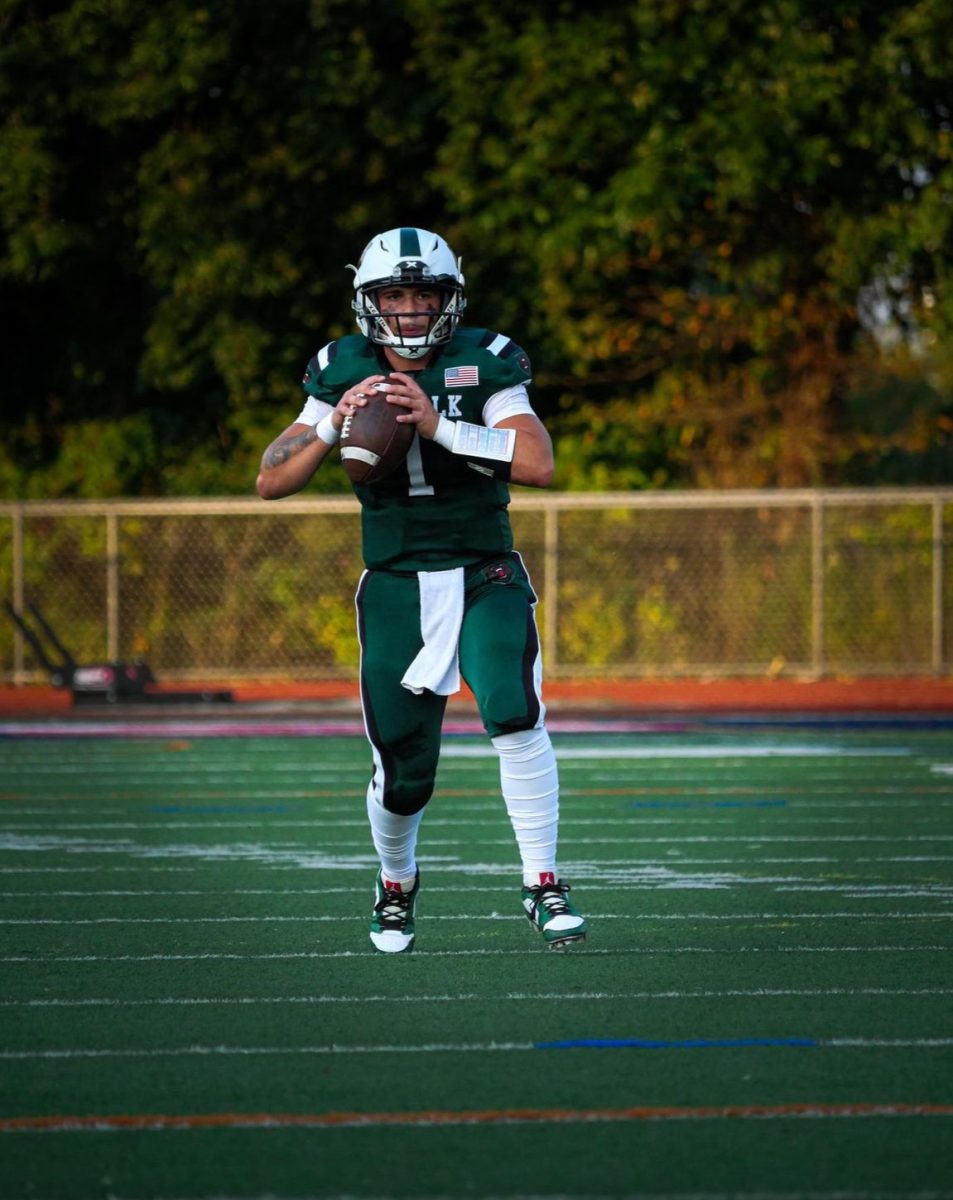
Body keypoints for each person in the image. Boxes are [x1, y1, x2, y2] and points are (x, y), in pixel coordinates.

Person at [256, 226, 587, 953]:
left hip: (482, 569)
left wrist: (439, 426)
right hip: (398, 583)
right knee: (403, 769)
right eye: (395, 295)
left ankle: (542, 881)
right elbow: (270, 479)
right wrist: (329, 426)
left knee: (512, 708)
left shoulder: (485, 361)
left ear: (450, 298)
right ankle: (396, 885)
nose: (408, 310)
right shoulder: (340, 370)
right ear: (369, 301)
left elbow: (537, 461)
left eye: (423, 293)